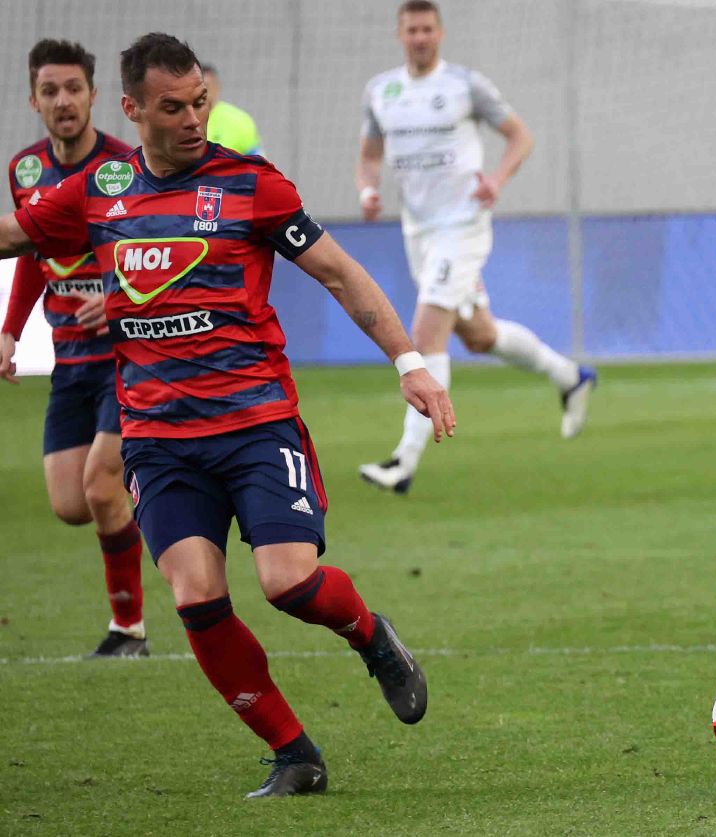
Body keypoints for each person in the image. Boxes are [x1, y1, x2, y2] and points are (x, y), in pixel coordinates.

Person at [0, 33, 458, 798]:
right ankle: (294, 753)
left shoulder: (250, 185)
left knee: (288, 583)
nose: (192, 119)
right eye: (172, 108)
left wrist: (409, 361)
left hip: (255, 424)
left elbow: (340, 274)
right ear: (133, 109)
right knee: (195, 597)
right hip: (159, 439)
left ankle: (372, 635)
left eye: (199, 103)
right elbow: (15, 235)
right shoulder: (99, 190)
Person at [356, 0, 595, 494]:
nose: (420, 37)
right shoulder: (381, 91)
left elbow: (520, 136)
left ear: (440, 33)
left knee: (426, 334)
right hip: (419, 232)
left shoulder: (465, 85)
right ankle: (570, 376)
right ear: (400, 34)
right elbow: (370, 155)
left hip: (462, 227)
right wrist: (368, 190)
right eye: (412, 30)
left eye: (427, 29)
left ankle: (403, 462)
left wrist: (497, 180)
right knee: (480, 336)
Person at [1, 39, 148, 657]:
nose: (63, 100)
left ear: (93, 95)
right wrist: (10, 329)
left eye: (73, 88)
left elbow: (152, 252)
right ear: (33, 100)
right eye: (50, 90)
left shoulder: (123, 168)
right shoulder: (25, 170)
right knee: (70, 505)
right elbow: (31, 249)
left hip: (127, 357)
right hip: (69, 361)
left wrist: (117, 300)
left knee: (100, 488)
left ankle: (128, 631)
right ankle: (154, 480)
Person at [201, 64, 263, 156]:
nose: (202, 92)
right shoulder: (184, 119)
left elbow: (257, 160)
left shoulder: (239, 120)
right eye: (198, 87)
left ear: (217, 87)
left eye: (207, 86)